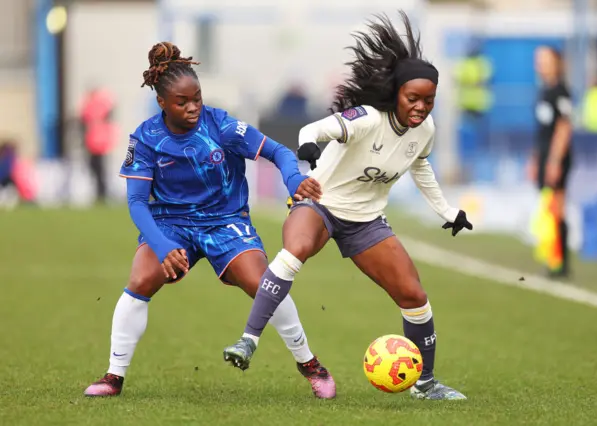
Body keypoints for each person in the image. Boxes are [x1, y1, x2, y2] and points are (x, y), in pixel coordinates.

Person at [223, 11, 472, 401]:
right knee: (296, 250)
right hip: (320, 203)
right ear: (396, 95)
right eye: (413, 98)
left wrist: (448, 213)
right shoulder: (367, 119)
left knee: (413, 295)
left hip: (366, 222)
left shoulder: (425, 131)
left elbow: (420, 166)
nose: (422, 107)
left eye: (429, 99)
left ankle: (426, 384)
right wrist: (307, 148)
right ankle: (248, 340)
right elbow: (313, 130)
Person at [83, 42, 336, 399]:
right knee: (140, 280)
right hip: (171, 223)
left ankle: (310, 365)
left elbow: (278, 151)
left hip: (224, 220)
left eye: (197, 98)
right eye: (182, 102)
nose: (192, 108)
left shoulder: (221, 124)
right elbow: (138, 203)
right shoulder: (145, 138)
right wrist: (161, 244)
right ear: (162, 104)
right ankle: (113, 376)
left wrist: (294, 180)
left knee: (265, 284)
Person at [527, 46, 573, 278]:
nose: (539, 64)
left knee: (557, 207)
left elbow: (564, 128)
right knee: (549, 207)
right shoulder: (543, 91)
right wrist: (536, 159)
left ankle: (561, 262)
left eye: (544, 60)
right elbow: (542, 131)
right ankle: (552, 258)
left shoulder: (561, 91)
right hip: (545, 157)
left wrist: (554, 160)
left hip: (557, 158)